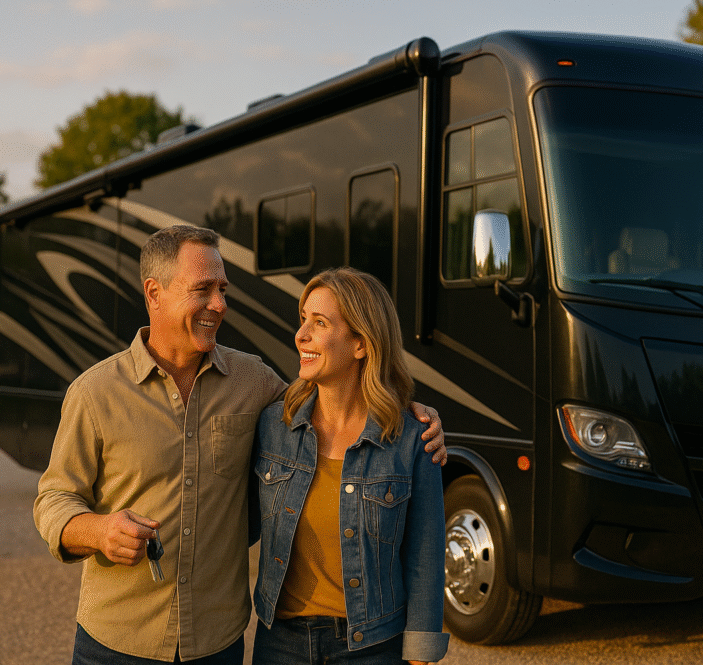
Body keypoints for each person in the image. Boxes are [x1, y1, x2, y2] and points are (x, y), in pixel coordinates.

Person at [33, 226, 446, 664]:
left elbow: (334, 396)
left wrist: (405, 409)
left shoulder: (258, 385)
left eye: (223, 289)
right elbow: (54, 499)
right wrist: (98, 531)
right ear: (154, 293)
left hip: (216, 646)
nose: (220, 304)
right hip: (116, 645)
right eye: (203, 290)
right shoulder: (95, 393)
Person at [251, 267, 448, 665]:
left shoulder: (412, 438)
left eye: (319, 322)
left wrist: (421, 653)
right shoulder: (274, 425)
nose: (301, 334)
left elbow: (425, 556)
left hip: (372, 646)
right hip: (281, 643)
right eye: (303, 318)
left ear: (361, 343)